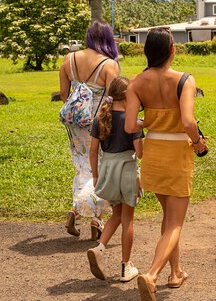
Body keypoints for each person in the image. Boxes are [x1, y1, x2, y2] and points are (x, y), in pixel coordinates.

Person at [125, 27, 208, 301]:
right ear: (172, 50)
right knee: (175, 223)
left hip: (153, 153)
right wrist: (197, 141)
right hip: (176, 153)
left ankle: (176, 272)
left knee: (169, 218)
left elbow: (129, 125)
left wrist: (151, 120)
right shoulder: (185, 80)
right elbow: (187, 122)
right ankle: (152, 274)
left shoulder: (135, 83)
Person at [59, 21, 120, 240]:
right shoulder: (109, 65)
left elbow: (64, 94)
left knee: (82, 165)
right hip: (99, 122)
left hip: (75, 123)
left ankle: (83, 216)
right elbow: (113, 100)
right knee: (101, 168)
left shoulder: (69, 60)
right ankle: (87, 214)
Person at [87, 76, 144, 282]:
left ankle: (100, 248)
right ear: (129, 96)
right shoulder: (132, 121)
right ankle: (125, 267)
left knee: (117, 215)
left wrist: (95, 175)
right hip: (126, 169)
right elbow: (140, 153)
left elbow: (93, 151)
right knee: (128, 219)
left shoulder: (101, 118)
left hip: (107, 170)